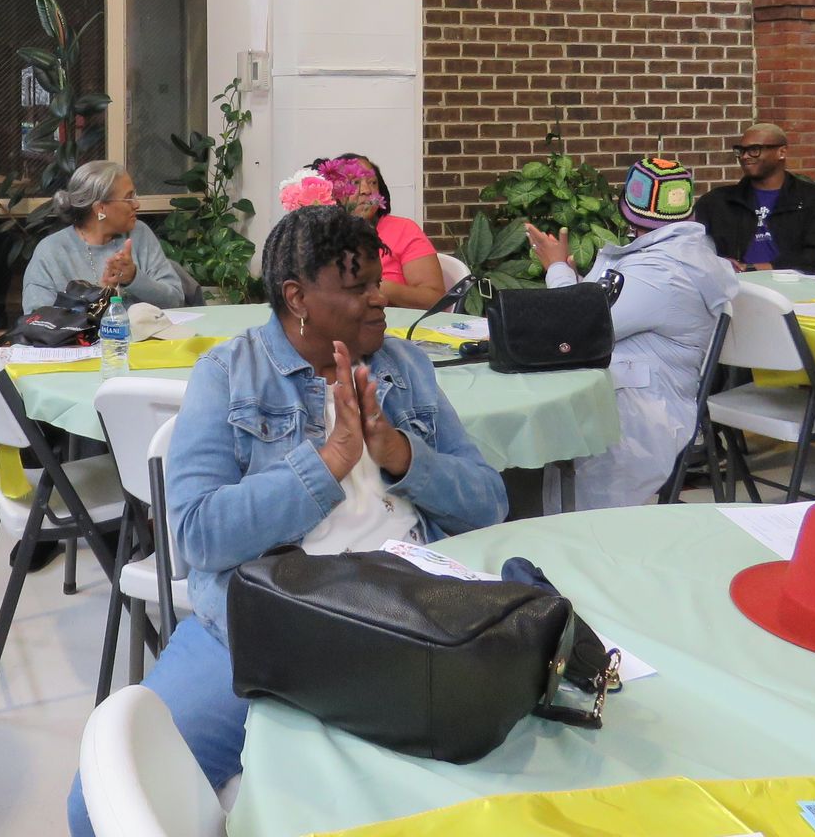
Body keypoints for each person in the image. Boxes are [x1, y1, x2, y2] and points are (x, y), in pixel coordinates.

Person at [66, 206, 506, 835]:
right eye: (358, 286)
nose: (381, 298)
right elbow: (197, 534)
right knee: (99, 806)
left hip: (413, 610)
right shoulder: (229, 374)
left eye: (378, 280)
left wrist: (402, 455)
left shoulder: (405, 368)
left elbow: (489, 502)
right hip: (271, 623)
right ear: (298, 297)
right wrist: (327, 465)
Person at [525, 156, 737, 510]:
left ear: (627, 211)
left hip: (638, 416)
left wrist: (557, 269)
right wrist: (573, 282)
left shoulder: (661, 271)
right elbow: (608, 309)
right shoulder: (676, 255)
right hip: (627, 397)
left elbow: (577, 329)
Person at [21, 159, 185, 313]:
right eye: (128, 198)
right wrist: (98, 297)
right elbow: (37, 318)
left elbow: (175, 301)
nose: (136, 204)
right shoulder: (51, 251)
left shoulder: (139, 234)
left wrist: (133, 278)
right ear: (100, 208)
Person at [694, 123, 815, 272]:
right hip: (734, 282)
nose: (745, 156)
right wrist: (719, 263)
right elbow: (692, 245)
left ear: (781, 152)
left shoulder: (814, 200)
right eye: (741, 150)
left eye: (754, 150)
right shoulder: (717, 202)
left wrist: (763, 268)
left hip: (792, 283)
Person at [316, 153, 446, 308]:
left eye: (372, 182)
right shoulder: (322, 234)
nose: (366, 190)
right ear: (332, 192)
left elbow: (436, 300)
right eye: (354, 182)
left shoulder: (403, 230)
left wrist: (379, 287)